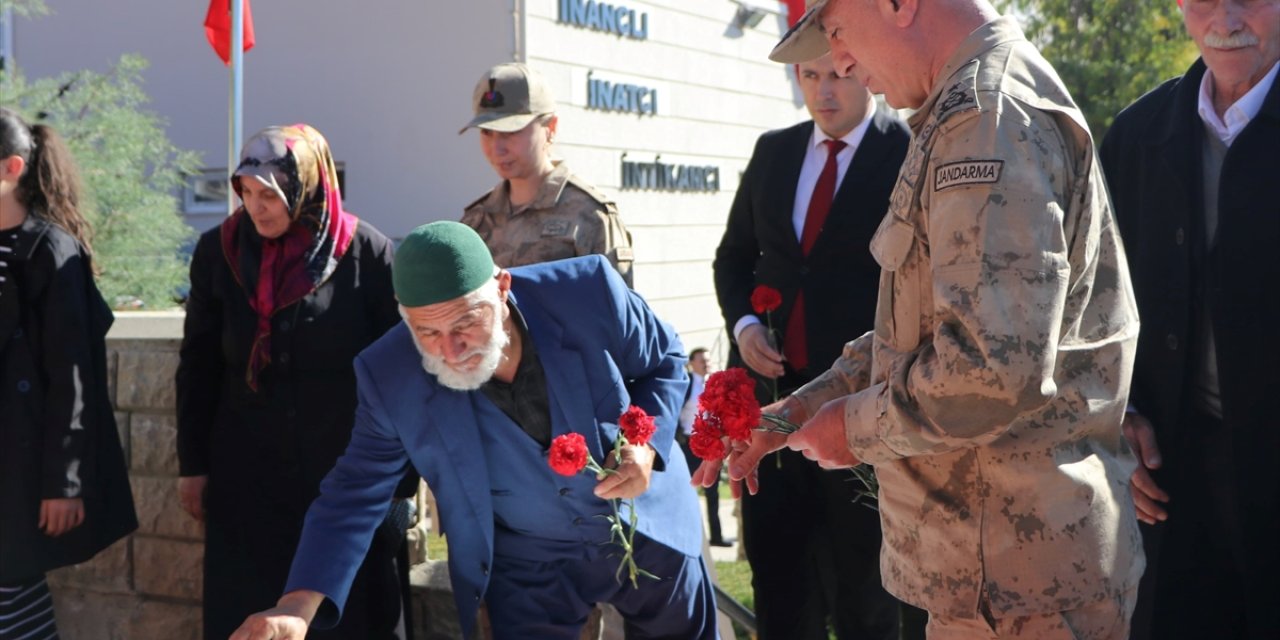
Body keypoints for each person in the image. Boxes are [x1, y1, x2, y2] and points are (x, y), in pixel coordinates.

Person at [695, 1, 1146, 638]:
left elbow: (989, 371)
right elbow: (923, 331)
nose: (840, 62)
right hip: (995, 576)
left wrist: (848, 428)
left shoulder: (986, 121)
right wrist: (794, 414)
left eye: (839, 32)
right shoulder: (962, 110)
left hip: (1018, 586)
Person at [228, 222, 716, 640]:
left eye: (466, 322)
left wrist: (645, 445)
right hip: (530, 568)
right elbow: (353, 494)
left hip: (649, 531)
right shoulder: (389, 375)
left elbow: (666, 360)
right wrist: (296, 606)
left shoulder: (587, 290)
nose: (451, 348)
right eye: (427, 333)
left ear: (502, 288)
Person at [175, 124, 412, 639]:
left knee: (350, 615)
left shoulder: (366, 254)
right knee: (253, 612)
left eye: (272, 194)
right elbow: (199, 362)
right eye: (248, 192)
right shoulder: (220, 252)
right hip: (247, 478)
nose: (257, 207)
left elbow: (401, 374)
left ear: (307, 186)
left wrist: (399, 483)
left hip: (344, 477)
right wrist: (192, 464)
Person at [711, 47, 911, 640]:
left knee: (866, 594)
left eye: (842, 74)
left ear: (867, 72)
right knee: (780, 586)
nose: (825, 91)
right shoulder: (774, 151)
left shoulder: (905, 153)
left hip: (859, 408)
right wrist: (745, 326)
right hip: (768, 404)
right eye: (810, 76)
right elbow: (733, 260)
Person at [1098, 1, 1280, 638]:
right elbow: (1088, 309)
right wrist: (1114, 416)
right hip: (1169, 486)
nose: (1225, 17)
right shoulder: (1136, 136)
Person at [0, 108, 137, 639]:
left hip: (24, 464)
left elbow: (73, 377)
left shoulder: (52, 251)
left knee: (13, 586)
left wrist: (65, 482)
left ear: (12, 168)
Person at [460, 62, 635, 286]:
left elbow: (617, 314)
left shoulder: (590, 216)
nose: (497, 148)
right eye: (487, 132)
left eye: (511, 131)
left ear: (550, 128)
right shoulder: (476, 221)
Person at [676, 347, 731, 547]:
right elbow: (674, 411)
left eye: (708, 360)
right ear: (691, 363)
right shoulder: (686, 384)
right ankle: (689, 537)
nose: (706, 364)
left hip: (710, 443)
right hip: (689, 444)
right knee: (687, 491)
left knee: (712, 491)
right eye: (702, 360)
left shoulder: (714, 385)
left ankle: (716, 537)